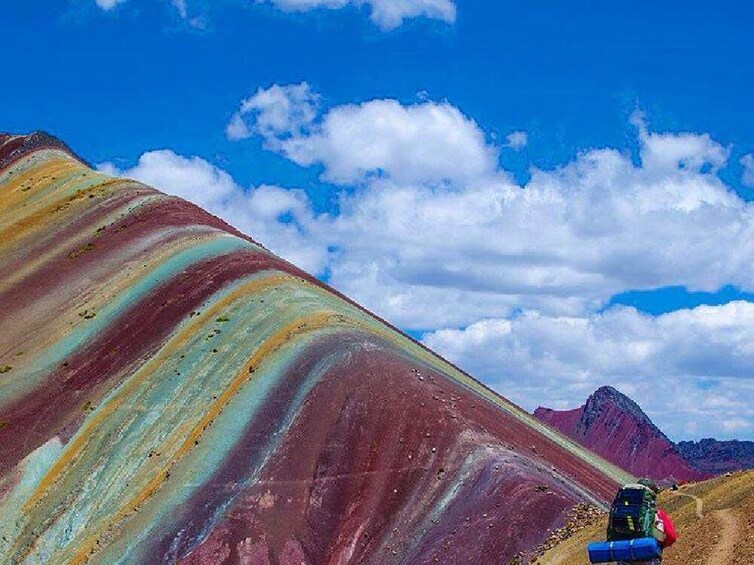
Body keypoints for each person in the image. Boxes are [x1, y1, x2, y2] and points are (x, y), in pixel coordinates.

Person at [616, 478, 677, 565]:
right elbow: (671, 537)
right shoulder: (658, 514)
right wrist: (659, 545)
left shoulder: (623, 511)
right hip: (648, 559)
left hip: (624, 559)